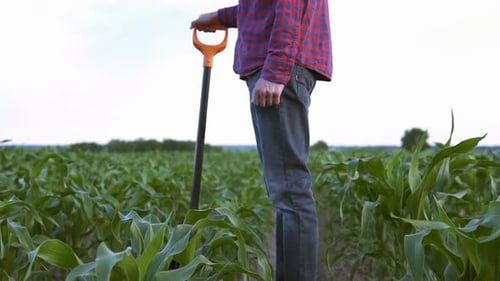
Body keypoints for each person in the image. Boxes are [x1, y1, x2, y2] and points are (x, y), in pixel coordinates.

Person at [191, 0, 332, 280]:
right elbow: (260, 7)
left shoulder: (277, 72)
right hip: (279, 69)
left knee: (291, 191)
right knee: (285, 192)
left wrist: (276, 71)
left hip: (279, 70)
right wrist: (219, 17)